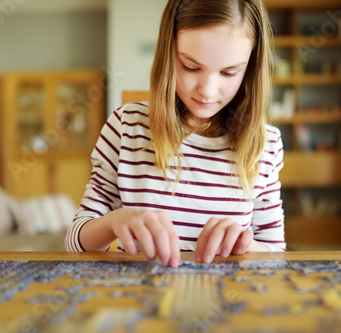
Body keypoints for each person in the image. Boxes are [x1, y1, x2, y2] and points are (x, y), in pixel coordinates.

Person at [65, 0, 285, 267]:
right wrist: (115, 221)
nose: (208, 90)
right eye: (191, 67)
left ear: (250, 68)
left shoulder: (267, 144)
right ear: (168, 54)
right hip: (140, 303)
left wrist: (246, 244)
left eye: (229, 72)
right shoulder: (126, 127)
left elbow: (276, 254)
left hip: (226, 302)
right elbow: (74, 242)